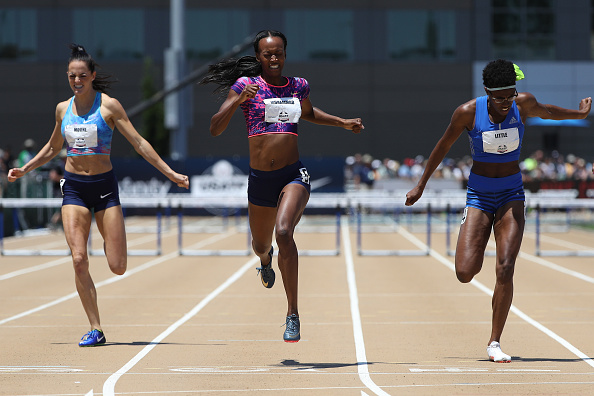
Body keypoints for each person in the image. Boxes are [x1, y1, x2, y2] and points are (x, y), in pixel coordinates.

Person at [405, 59, 591, 363]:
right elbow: (442, 146)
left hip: (511, 194)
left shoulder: (523, 103)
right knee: (465, 272)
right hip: (479, 195)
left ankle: (494, 342)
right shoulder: (467, 112)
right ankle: (471, 236)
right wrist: (420, 185)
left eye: (510, 96)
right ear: (487, 93)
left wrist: (580, 112)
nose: (506, 103)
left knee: (505, 267)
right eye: (499, 98)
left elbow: (549, 112)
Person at [8, 44, 189, 347]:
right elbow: (53, 147)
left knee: (118, 266)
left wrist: (170, 173)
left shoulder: (109, 107)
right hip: (75, 187)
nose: (76, 81)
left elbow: (140, 143)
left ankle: (109, 239)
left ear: (92, 76)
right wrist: (25, 168)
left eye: (81, 76)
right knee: (79, 259)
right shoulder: (62, 109)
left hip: (104, 187)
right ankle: (96, 328)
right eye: (71, 77)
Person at [201, 30, 364, 342]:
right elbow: (214, 128)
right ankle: (265, 261)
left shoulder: (297, 86)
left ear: (285, 55)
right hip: (260, 179)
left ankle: (292, 314)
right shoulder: (246, 87)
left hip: (292, 174)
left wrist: (342, 122)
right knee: (261, 245)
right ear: (259, 57)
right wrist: (237, 100)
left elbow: (309, 113)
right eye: (267, 54)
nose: (273, 58)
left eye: (278, 53)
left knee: (285, 231)